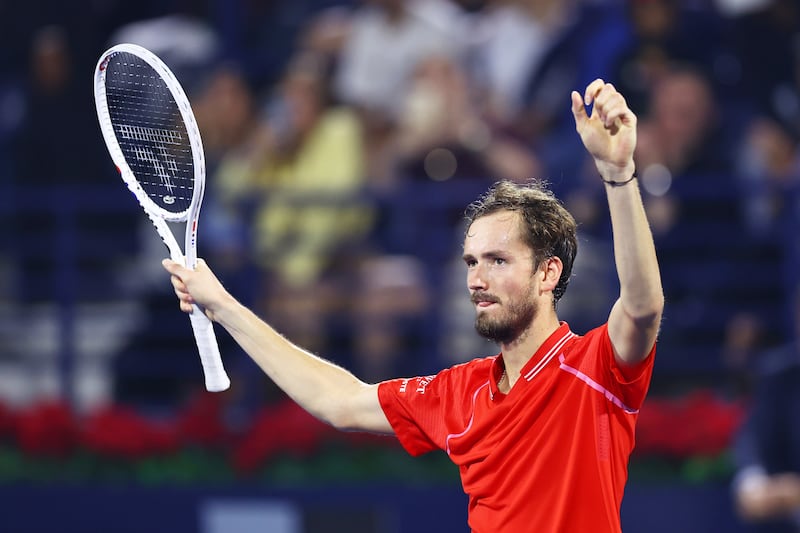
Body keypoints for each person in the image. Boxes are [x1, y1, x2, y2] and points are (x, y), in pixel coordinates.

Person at [162, 79, 664, 532]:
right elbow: (341, 400)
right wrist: (224, 306)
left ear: (547, 274)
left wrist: (617, 173)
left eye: (497, 260)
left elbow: (642, 306)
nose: (476, 279)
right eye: (470, 262)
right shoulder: (458, 392)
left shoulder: (594, 368)